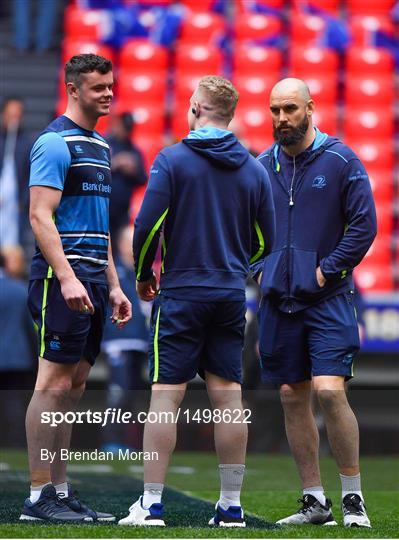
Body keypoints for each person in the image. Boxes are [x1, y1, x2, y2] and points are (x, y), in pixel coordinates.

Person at [119, 75, 276, 527]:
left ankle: (150, 505)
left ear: (195, 109)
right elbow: (266, 241)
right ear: (229, 114)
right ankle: (230, 506)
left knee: (165, 398)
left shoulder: (173, 159)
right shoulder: (253, 168)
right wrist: (234, 268)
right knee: (229, 396)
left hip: (182, 291)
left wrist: (146, 273)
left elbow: (148, 225)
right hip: (229, 294)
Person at [256, 78, 377, 528]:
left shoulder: (342, 160)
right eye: (274, 110)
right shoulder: (260, 166)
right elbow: (243, 230)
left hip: (328, 299)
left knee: (329, 390)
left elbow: (364, 226)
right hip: (278, 303)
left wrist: (325, 270)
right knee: (291, 395)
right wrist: (258, 269)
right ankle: (314, 502)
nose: (281, 118)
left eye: (289, 108)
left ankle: (352, 499)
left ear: (310, 108)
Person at [21, 54, 132, 523]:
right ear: (73, 89)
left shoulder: (102, 147)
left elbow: (100, 227)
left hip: (92, 280)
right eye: (98, 87)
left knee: (76, 385)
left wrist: (115, 284)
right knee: (52, 382)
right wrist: (65, 276)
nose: (108, 93)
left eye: (110, 85)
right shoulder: (53, 142)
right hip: (57, 278)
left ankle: (60, 492)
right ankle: (37, 496)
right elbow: (39, 216)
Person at [101, 224, 150, 451]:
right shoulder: (115, 273)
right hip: (118, 341)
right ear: (121, 244)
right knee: (118, 393)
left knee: (132, 394)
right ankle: (112, 441)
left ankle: (128, 441)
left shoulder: (138, 272)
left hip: (140, 342)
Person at [106, 112, 147, 245]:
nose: (127, 132)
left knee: (120, 246)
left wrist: (133, 171)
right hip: (104, 207)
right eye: (125, 128)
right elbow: (93, 172)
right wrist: (116, 163)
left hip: (123, 209)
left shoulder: (134, 150)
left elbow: (142, 179)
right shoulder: (105, 144)